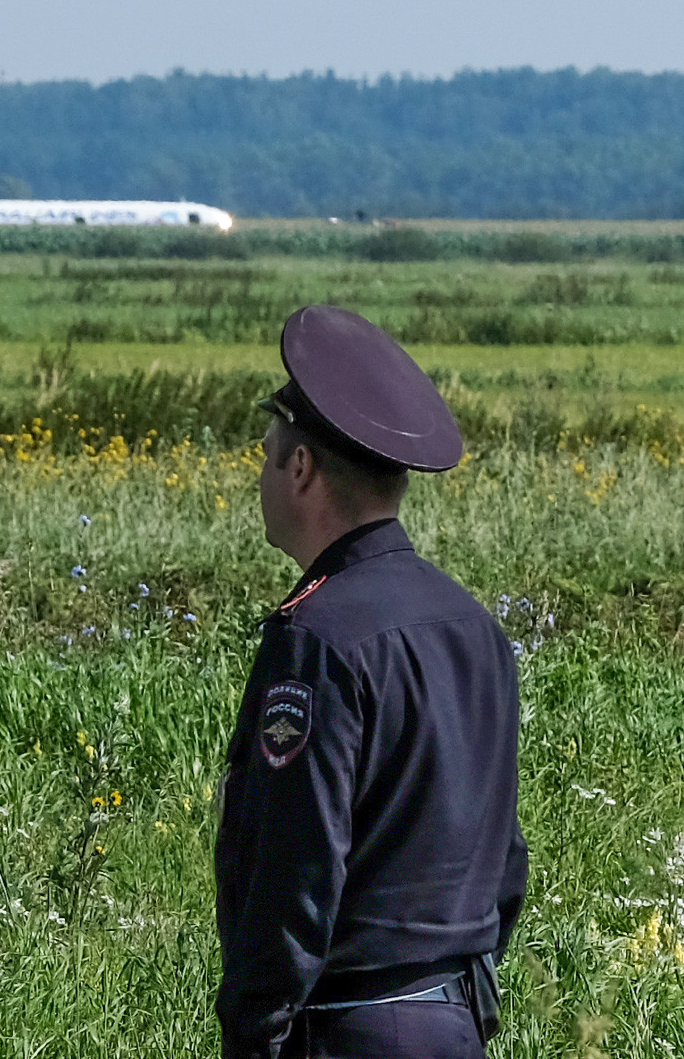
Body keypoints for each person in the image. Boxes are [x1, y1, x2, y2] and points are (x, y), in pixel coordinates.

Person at [215, 305, 527, 1059]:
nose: (262, 477)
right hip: (455, 1021)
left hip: (349, 1030)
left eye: (266, 457)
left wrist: (254, 1038)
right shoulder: (475, 628)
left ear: (301, 469)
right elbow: (503, 862)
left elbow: (295, 875)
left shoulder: (318, 640)